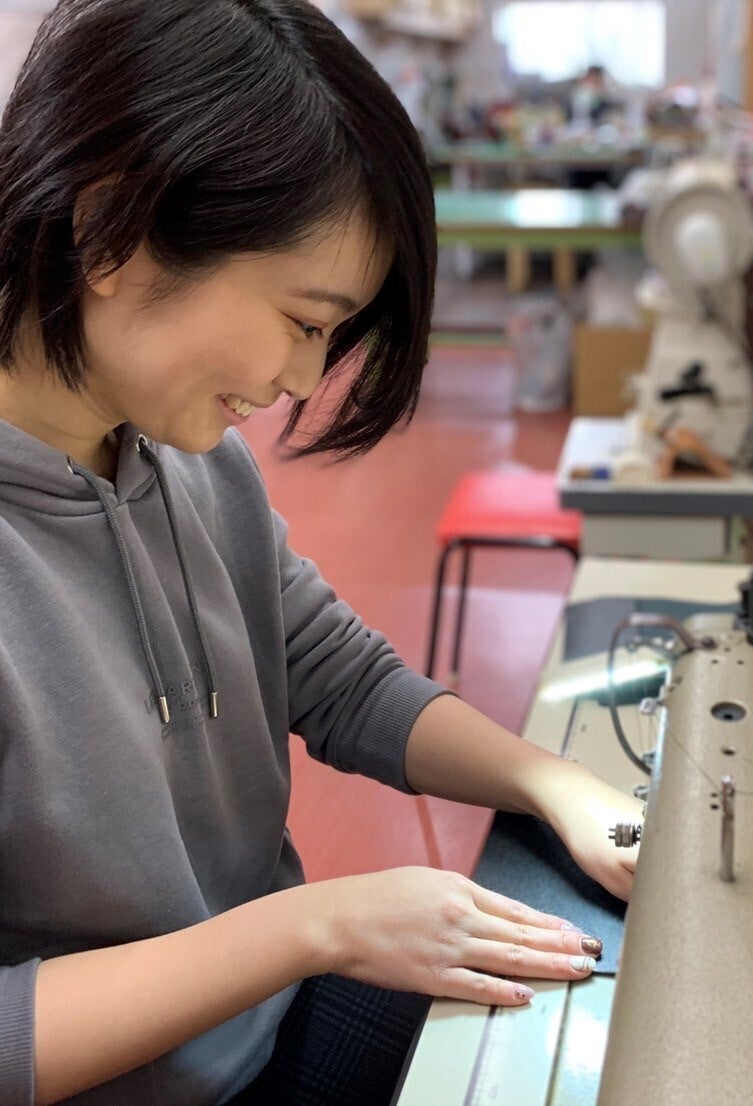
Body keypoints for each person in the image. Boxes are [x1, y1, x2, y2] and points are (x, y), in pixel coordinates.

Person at [0, 3, 641, 1104]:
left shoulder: (191, 459)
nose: (304, 379)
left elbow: (341, 678)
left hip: (263, 1025)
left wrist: (555, 781)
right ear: (111, 233)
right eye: (304, 321)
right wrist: (314, 925)